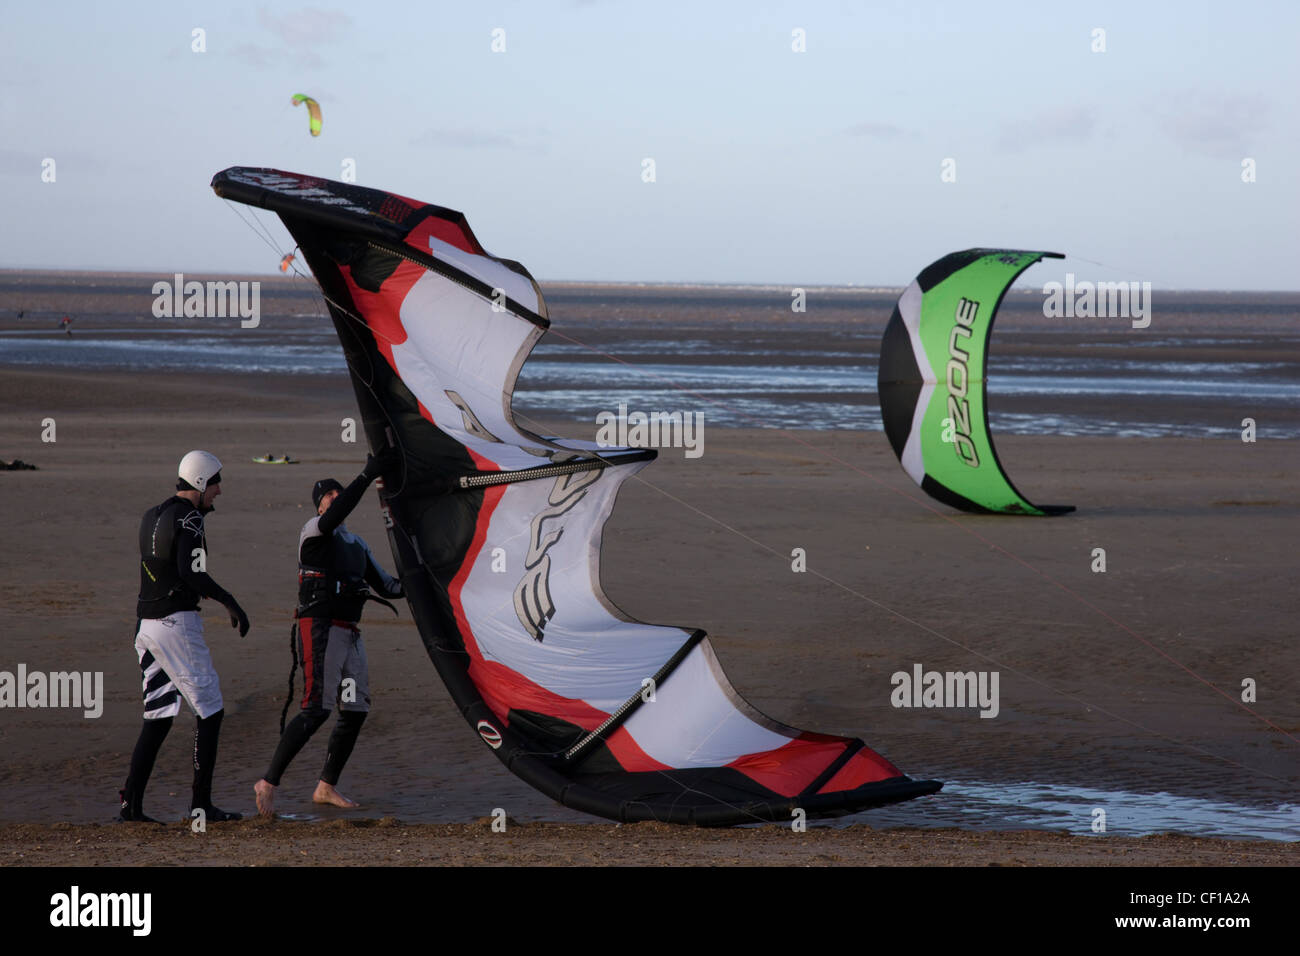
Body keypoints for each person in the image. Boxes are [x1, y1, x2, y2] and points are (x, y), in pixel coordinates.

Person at [254, 452, 402, 817]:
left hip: (350, 635)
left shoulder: (357, 545)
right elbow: (338, 512)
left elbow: (389, 586)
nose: (336, 500)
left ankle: (326, 786)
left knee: (355, 709)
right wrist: (367, 476)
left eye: (339, 494)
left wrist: (427, 577)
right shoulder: (314, 531)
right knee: (316, 709)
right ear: (319, 507)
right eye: (329, 497)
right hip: (320, 629)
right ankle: (268, 782)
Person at [119, 450, 250, 823]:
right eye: (216, 483)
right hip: (177, 624)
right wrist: (231, 602)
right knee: (210, 710)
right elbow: (191, 574)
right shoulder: (191, 519)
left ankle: (131, 807)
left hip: (146, 627)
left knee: (158, 716)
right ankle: (201, 805)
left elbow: (159, 572)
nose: (219, 491)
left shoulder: (150, 516)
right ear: (200, 481)